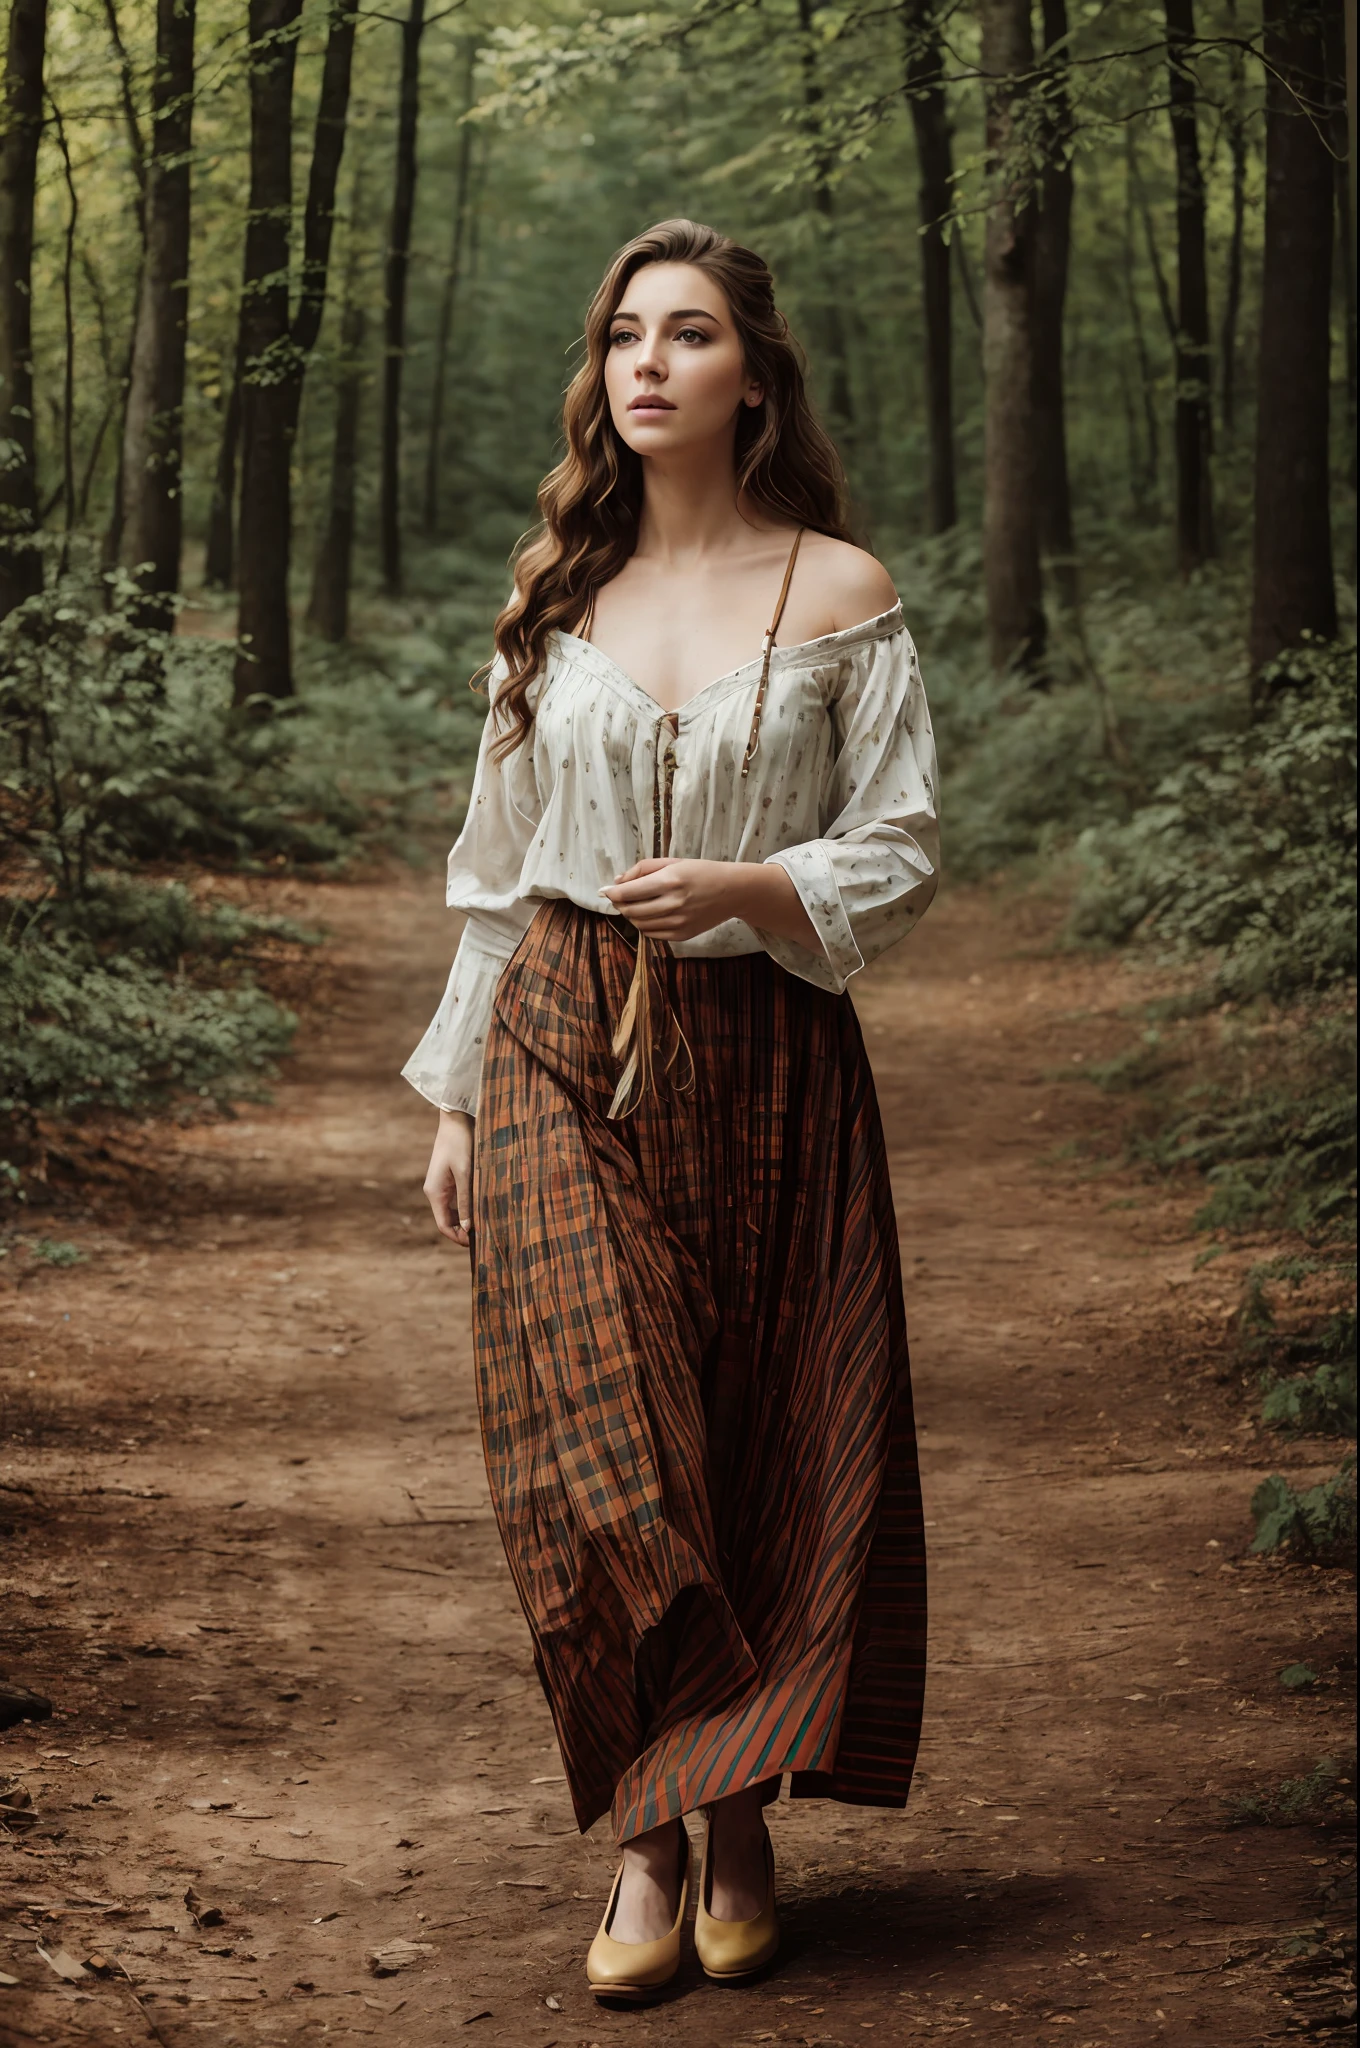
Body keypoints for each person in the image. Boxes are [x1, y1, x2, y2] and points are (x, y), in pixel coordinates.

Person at [406, 217, 939, 2005]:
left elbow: (904, 844)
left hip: (772, 1053)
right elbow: (494, 873)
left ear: (753, 377)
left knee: (758, 1430)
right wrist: (463, 1094)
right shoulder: (552, 595)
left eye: (688, 333)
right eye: (624, 332)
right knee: (600, 1447)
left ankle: (733, 1818)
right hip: (560, 1032)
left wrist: (755, 887)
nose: (646, 362)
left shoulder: (843, 593)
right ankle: (650, 1828)